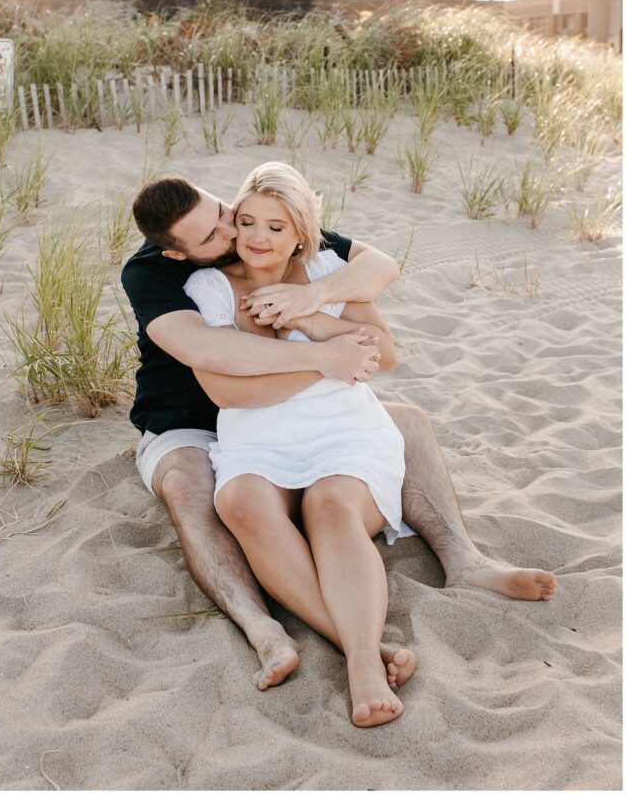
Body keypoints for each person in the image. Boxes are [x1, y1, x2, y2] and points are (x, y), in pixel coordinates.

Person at [121, 166, 557, 694]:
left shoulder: (297, 248)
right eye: (217, 234)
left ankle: (464, 561)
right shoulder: (164, 277)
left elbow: (381, 280)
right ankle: (271, 629)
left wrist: (313, 306)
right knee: (201, 492)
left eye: (223, 214)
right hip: (189, 422)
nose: (239, 233)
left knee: (402, 430)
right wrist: (328, 358)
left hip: (315, 415)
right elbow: (210, 360)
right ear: (178, 251)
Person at [184, 162, 420, 726]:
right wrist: (329, 360)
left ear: (300, 234)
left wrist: (312, 319)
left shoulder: (326, 270)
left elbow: (383, 355)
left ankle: (362, 667)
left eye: (276, 226)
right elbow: (228, 391)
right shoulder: (208, 286)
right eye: (247, 222)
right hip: (256, 433)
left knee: (330, 506)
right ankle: (358, 641)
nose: (258, 238)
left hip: (343, 426)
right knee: (239, 502)